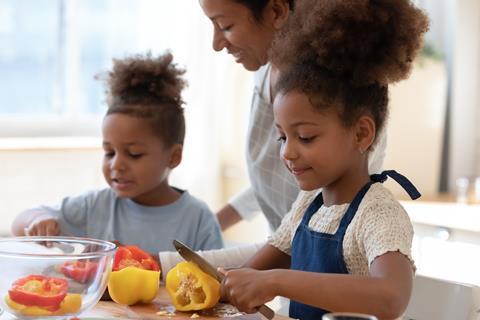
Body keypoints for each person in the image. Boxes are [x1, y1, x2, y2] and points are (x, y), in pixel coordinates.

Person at [219, 0, 428, 319]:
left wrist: (276, 281)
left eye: (305, 137)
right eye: (282, 136)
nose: (287, 152)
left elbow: (391, 297)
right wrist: (223, 283)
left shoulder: (378, 214)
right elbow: (246, 276)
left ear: (361, 134)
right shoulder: (308, 206)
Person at [11, 52, 224, 254]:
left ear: (173, 157)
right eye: (109, 152)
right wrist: (38, 221)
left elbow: (214, 278)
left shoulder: (198, 219)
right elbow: (19, 224)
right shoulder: (93, 206)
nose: (116, 165)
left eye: (134, 154)